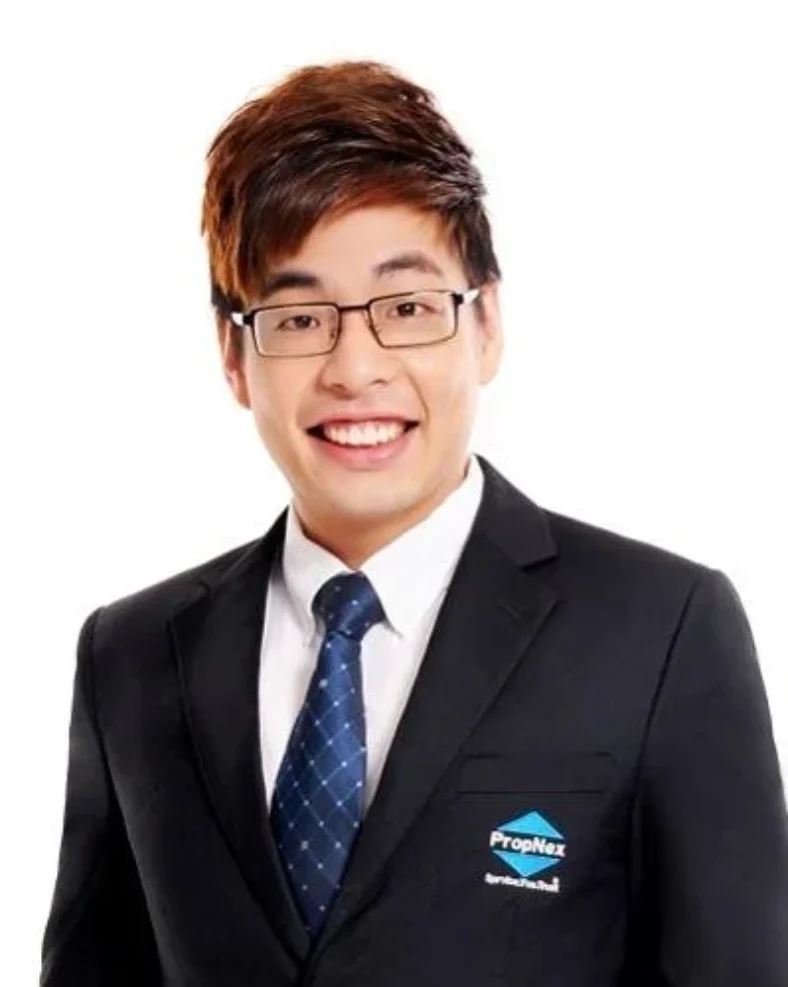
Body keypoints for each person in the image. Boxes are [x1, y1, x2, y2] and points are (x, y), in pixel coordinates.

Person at [39, 59, 788, 987]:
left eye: (406, 307)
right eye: (298, 316)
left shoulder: (662, 630)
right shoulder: (132, 656)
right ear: (234, 353)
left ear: (486, 325)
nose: (356, 368)